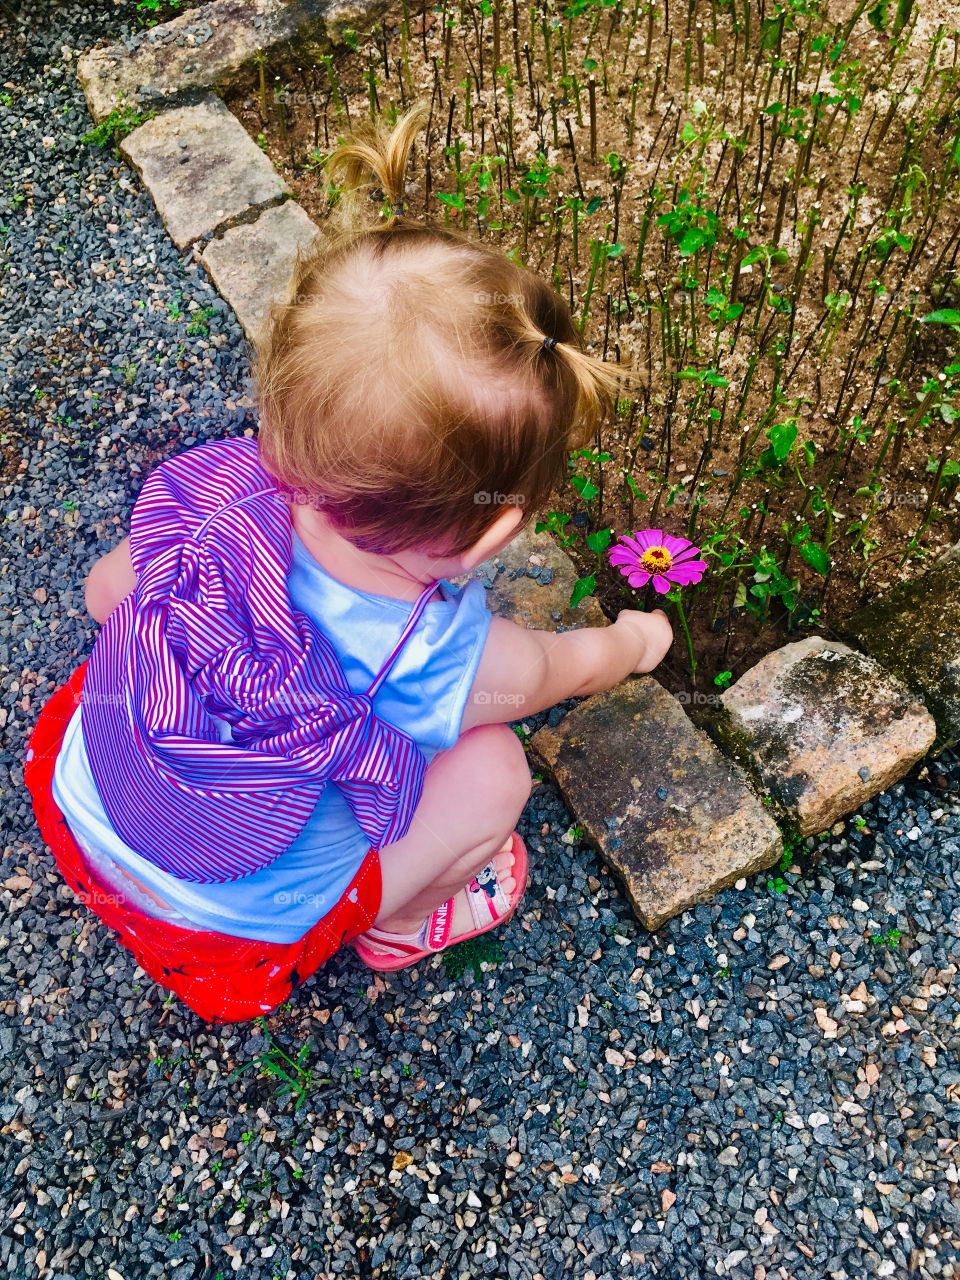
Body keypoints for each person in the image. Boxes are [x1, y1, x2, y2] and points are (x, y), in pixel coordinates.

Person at [24, 104, 672, 1023]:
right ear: (494, 536)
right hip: (229, 924)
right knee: (495, 774)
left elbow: (104, 596)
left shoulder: (212, 503)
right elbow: (566, 669)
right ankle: (397, 920)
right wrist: (635, 639)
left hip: (92, 799)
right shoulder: (443, 657)